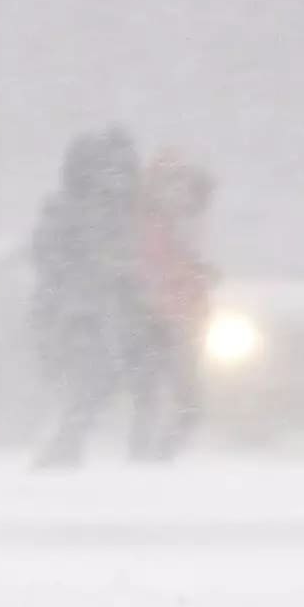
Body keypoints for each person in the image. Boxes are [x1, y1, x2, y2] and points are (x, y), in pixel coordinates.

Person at [28, 130, 146, 469]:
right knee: (94, 379)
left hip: (94, 312)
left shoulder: (106, 214)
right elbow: (50, 258)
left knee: (101, 381)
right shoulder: (69, 213)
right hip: (77, 313)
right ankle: (67, 442)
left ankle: (69, 442)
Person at [127, 152, 217, 461]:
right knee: (169, 401)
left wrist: (199, 274)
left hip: (180, 322)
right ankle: (150, 459)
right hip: (161, 322)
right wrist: (192, 275)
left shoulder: (181, 225)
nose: (180, 193)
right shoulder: (151, 225)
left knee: (168, 401)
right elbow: (154, 270)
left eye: (184, 185)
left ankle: (151, 458)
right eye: (173, 185)